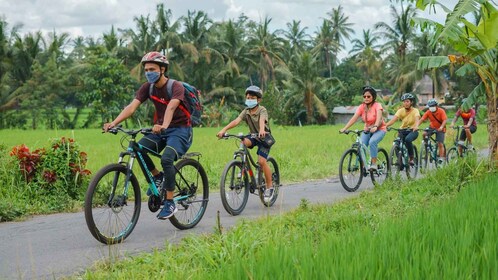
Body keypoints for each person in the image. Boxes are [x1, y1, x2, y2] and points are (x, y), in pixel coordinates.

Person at [103, 51, 193, 220]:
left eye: (152, 69)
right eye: (146, 70)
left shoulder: (175, 86)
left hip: (180, 130)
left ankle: (170, 202)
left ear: (162, 69)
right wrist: (113, 123)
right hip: (159, 129)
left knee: (166, 159)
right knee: (140, 149)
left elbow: (171, 107)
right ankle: (158, 176)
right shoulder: (147, 88)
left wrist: (164, 125)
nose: (148, 72)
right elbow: (131, 108)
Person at [216, 85, 274, 202]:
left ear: (258, 100)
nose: (249, 99)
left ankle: (270, 187)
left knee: (262, 162)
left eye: (252, 98)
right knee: (242, 141)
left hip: (263, 137)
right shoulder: (246, 111)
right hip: (253, 136)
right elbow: (236, 121)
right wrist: (224, 130)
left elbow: (262, 120)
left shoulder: (262, 110)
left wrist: (262, 129)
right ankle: (242, 163)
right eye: (248, 97)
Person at [340, 86, 387, 171]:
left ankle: (374, 164)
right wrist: (345, 128)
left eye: (368, 96)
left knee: (372, 142)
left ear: (373, 97)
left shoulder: (377, 105)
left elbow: (379, 118)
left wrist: (376, 126)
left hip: (380, 129)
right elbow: (354, 118)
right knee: (361, 145)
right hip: (367, 130)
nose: (366, 98)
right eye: (364, 96)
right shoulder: (362, 107)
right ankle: (363, 166)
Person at [385, 93, 420, 165]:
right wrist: (385, 125)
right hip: (402, 130)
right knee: (396, 143)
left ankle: (411, 158)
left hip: (413, 131)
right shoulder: (400, 111)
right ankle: (399, 160)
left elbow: (417, 119)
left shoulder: (415, 110)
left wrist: (416, 126)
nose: (405, 103)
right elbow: (393, 120)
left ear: (411, 102)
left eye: (407, 101)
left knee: (408, 140)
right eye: (404, 101)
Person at [414, 98, 447, 163]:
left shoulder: (441, 111)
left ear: (436, 106)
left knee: (440, 143)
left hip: (440, 128)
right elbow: (422, 119)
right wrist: (416, 126)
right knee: (424, 134)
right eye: (430, 106)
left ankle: (441, 157)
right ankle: (426, 145)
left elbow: (445, 120)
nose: (431, 107)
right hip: (432, 127)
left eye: (433, 106)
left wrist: (441, 127)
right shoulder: (428, 112)